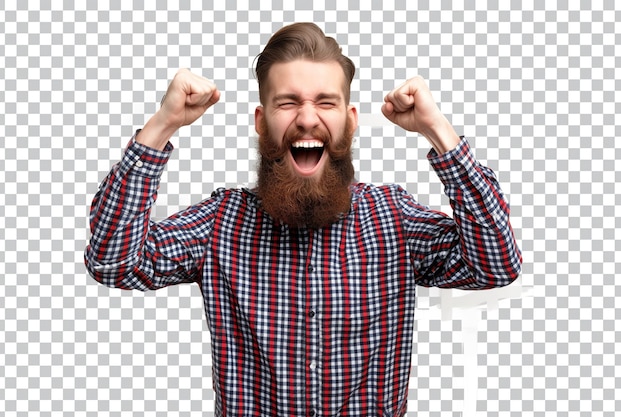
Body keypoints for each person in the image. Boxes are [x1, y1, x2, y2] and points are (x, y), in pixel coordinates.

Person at [85, 22, 522, 417]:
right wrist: (162, 126)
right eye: (288, 102)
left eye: (325, 103)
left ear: (350, 122)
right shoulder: (221, 221)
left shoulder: (395, 218)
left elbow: (496, 264)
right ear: (262, 122)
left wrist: (438, 131)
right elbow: (114, 263)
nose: (308, 119)